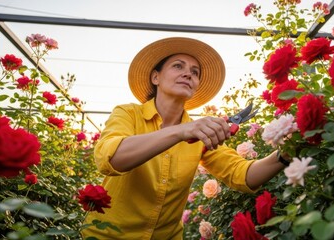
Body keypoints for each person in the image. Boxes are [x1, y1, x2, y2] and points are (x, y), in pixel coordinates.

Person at [82, 37, 291, 239]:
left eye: (194, 71)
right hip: (107, 236)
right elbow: (111, 159)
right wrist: (181, 131)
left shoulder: (198, 132)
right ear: (156, 77)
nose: (188, 74)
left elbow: (243, 175)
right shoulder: (128, 114)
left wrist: (286, 153)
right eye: (178, 66)